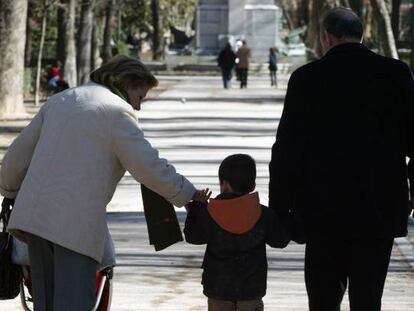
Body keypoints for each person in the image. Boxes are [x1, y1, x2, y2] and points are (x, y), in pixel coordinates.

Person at [0, 55, 207, 310]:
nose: (138, 107)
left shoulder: (61, 99)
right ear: (128, 83)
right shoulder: (117, 112)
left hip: (34, 222)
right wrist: (187, 194)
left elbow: (16, 157)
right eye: (140, 97)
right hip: (74, 227)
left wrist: (9, 190)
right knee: (73, 304)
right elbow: (148, 165)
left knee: (45, 303)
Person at [269, 7, 414, 311]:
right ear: (362, 35)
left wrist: (280, 211)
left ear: (326, 38)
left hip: (322, 212)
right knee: (368, 299)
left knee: (322, 301)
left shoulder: (307, 79)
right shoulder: (396, 74)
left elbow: (287, 151)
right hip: (379, 210)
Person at [185, 154, 290, 311]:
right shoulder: (263, 214)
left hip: (217, 288)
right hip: (251, 290)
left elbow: (193, 236)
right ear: (253, 185)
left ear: (225, 184)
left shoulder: (210, 213)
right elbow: (280, 240)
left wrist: (197, 209)